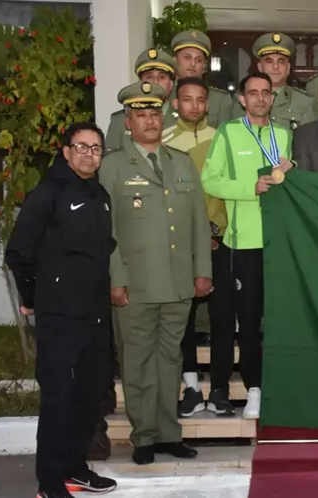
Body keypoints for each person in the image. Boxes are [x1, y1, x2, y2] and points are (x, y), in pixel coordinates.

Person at [100, 81, 213, 465]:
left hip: (178, 282)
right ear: (128, 122)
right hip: (136, 284)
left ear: (162, 118)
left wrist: (202, 271)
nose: (149, 120)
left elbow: (199, 221)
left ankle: (168, 433)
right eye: (141, 115)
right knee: (138, 362)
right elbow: (106, 230)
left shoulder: (180, 162)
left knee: (171, 361)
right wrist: (116, 278)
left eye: (154, 113)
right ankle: (143, 436)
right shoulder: (112, 166)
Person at [5, 122, 118, 498]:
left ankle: (75, 467)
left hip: (96, 315)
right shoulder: (48, 193)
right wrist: (33, 297)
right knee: (58, 399)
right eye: (81, 147)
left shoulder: (100, 194)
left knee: (90, 395)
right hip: (59, 316)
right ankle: (50, 482)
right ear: (66, 151)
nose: (89, 154)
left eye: (96, 148)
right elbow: (19, 251)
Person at [201, 71, 294, 420]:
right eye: (252, 93)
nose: (259, 99)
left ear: (273, 98)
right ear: (241, 99)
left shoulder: (283, 135)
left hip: (278, 243)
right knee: (246, 320)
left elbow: (291, 179)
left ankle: (270, 386)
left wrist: (291, 169)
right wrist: (249, 188)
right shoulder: (228, 132)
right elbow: (210, 180)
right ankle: (249, 387)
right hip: (241, 244)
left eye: (265, 93)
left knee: (274, 320)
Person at [161, 77, 234, 417]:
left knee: (221, 318)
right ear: (176, 103)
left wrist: (214, 231)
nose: (194, 106)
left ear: (208, 104)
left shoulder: (222, 138)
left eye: (200, 100)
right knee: (183, 319)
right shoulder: (163, 141)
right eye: (187, 99)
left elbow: (224, 190)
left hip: (217, 241)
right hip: (179, 246)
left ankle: (219, 388)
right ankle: (190, 387)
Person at [232, 32, 316, 131]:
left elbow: (308, 143)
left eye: (281, 61)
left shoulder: (303, 102)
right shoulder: (242, 98)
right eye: (269, 61)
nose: (275, 67)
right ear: (260, 67)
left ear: (288, 68)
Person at [105, 48, 178, 152]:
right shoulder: (120, 121)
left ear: (171, 84)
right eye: (149, 77)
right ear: (141, 83)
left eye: (161, 77)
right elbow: (110, 163)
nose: (155, 82)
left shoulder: (183, 118)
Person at [170, 30, 233, 127]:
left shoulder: (220, 100)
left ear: (204, 66)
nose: (193, 64)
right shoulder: (165, 95)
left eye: (198, 60)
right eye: (187, 57)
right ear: (175, 61)